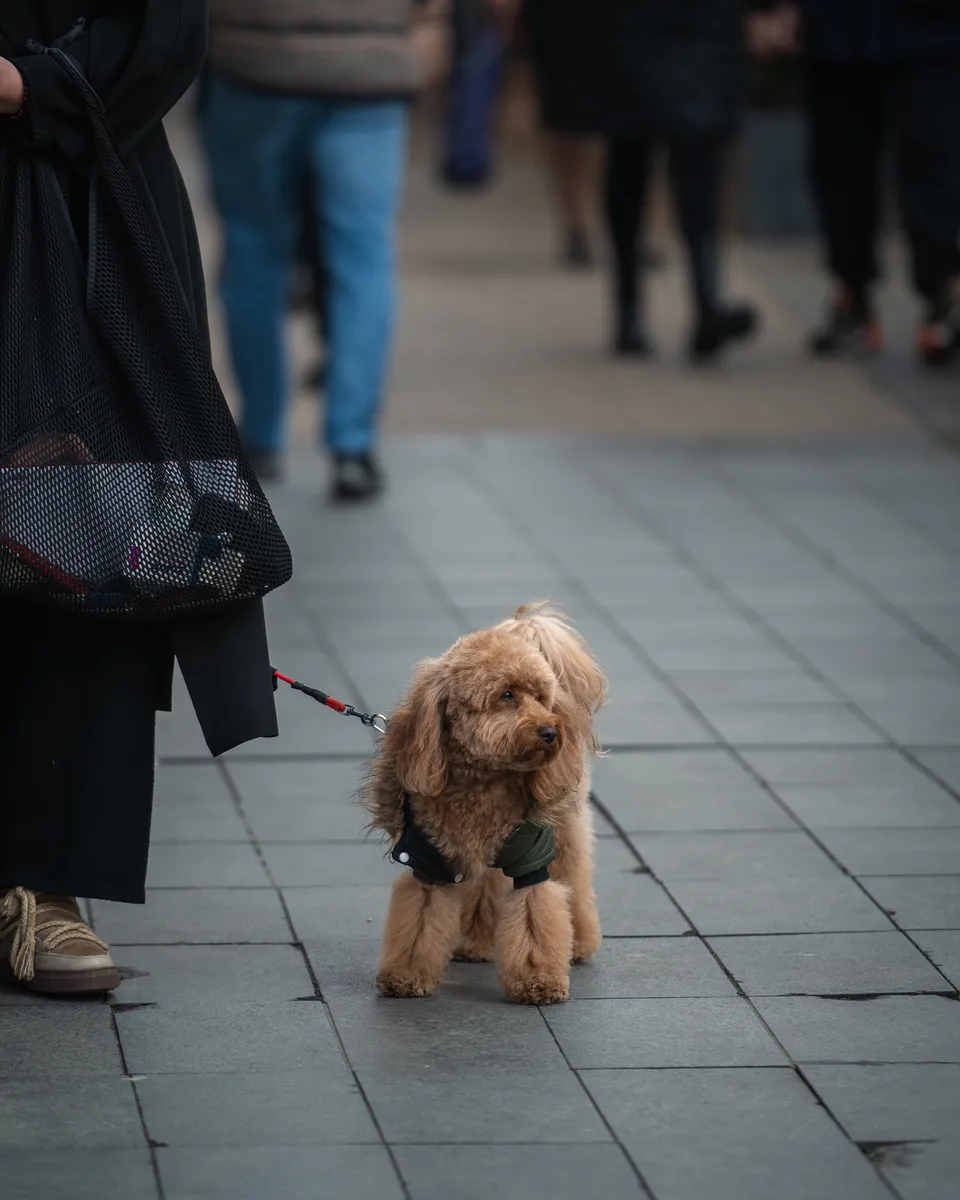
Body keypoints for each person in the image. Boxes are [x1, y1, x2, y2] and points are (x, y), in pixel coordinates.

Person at [0, 1, 280, 995]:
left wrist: (30, 86)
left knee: (90, 548)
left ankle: (48, 886)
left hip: (90, 212)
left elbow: (165, 30)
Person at [201, 0, 428, 500]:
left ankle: (260, 437)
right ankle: (353, 447)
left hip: (255, 63)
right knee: (363, 257)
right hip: (372, 68)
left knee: (253, 251)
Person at [521, 0, 757, 361]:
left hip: (690, 24)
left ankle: (695, 303)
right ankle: (644, 309)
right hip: (634, 22)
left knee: (686, 148)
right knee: (640, 148)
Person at [748, 0, 960, 365]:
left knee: (933, 157)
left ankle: (944, 291)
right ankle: (853, 292)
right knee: (839, 164)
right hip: (838, 25)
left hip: (932, 27)